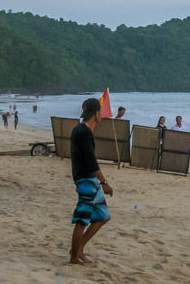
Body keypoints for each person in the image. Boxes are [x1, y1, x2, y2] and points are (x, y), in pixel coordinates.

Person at [70, 98, 113, 265]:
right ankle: (74, 256)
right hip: (86, 179)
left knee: (103, 216)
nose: (101, 114)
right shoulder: (84, 132)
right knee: (82, 219)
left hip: (89, 178)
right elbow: (90, 160)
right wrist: (104, 182)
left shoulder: (79, 129)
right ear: (96, 113)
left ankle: (78, 248)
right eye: (100, 111)